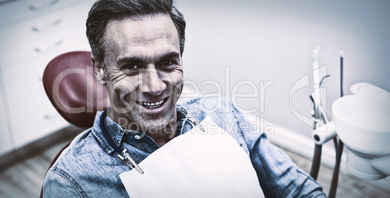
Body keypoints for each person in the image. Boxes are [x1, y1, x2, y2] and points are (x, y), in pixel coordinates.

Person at [43, 0, 326, 197]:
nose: (155, 86)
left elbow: (296, 189)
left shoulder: (222, 113)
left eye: (168, 62)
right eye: (131, 66)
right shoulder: (73, 183)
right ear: (100, 69)